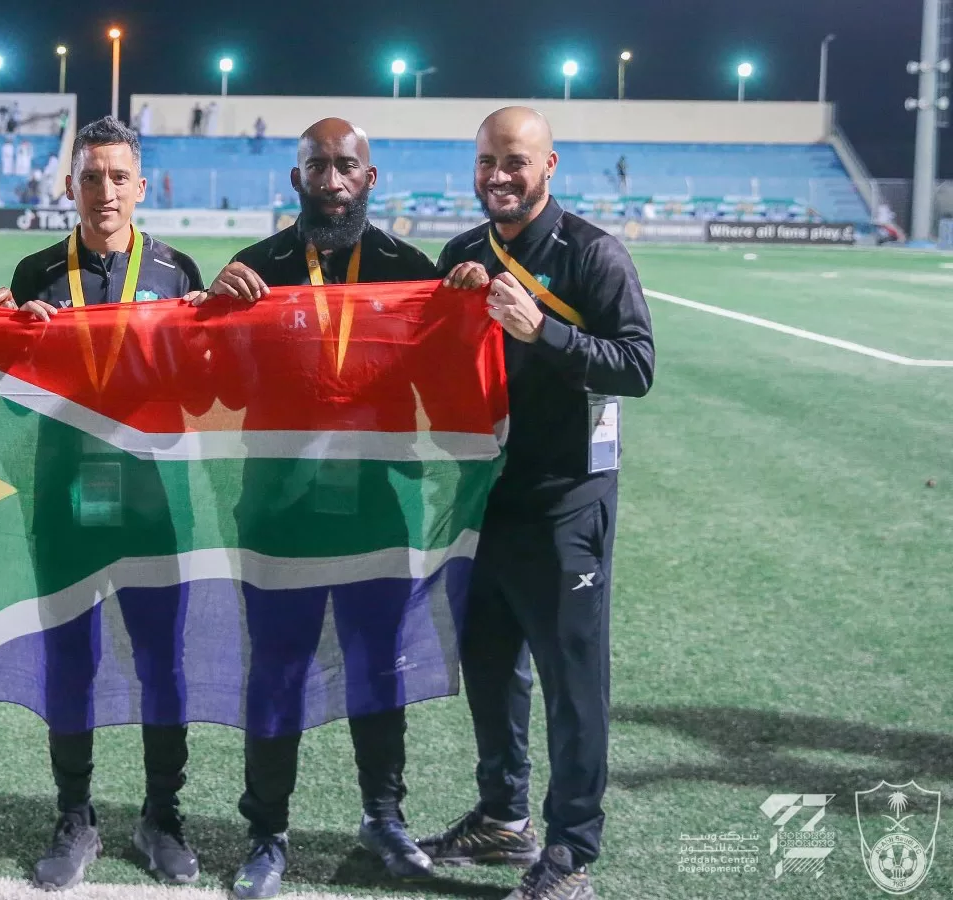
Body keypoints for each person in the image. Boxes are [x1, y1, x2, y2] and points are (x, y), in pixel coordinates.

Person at [195, 118, 441, 900]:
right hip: (278, 511)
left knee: (379, 670)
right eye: (317, 167)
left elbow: (444, 391)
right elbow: (220, 395)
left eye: (345, 166)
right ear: (295, 180)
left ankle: (383, 817)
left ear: (370, 178)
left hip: (377, 508)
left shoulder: (412, 269)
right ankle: (266, 833)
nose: (331, 180)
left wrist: (462, 307)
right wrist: (215, 315)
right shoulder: (255, 268)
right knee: (277, 674)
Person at [417, 106, 654, 900]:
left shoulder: (592, 254)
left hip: (567, 503)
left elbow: (637, 365)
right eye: (487, 162)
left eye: (515, 162)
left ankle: (572, 851)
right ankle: (502, 817)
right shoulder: (461, 253)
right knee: (489, 668)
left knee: (571, 681)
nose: (499, 177)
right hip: (486, 499)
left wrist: (542, 332)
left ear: (549, 165)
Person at [0, 117, 206, 890]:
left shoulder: (178, 272)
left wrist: (218, 329)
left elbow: (203, 395)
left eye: (118, 177)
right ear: (68, 186)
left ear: (141, 188)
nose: (104, 190)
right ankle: (74, 816)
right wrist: (6, 337)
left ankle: (161, 815)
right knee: (70, 662)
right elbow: (1, 401)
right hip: (64, 500)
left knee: (160, 664)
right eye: (90, 176)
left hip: (153, 501)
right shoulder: (36, 272)